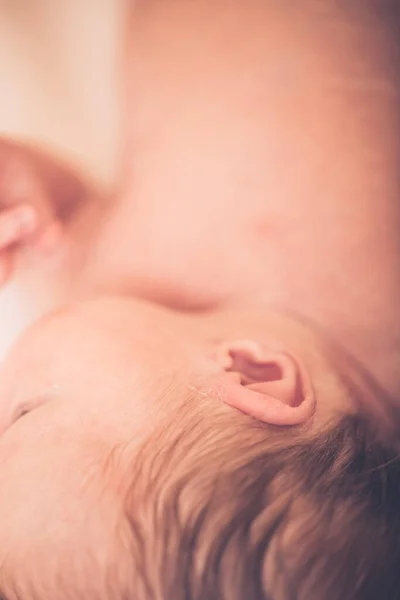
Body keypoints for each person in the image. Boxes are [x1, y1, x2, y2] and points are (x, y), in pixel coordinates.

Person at [0, 1, 400, 598]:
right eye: (25, 414)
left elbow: (67, 216)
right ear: (253, 371)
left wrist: (27, 192)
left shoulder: (116, 302)